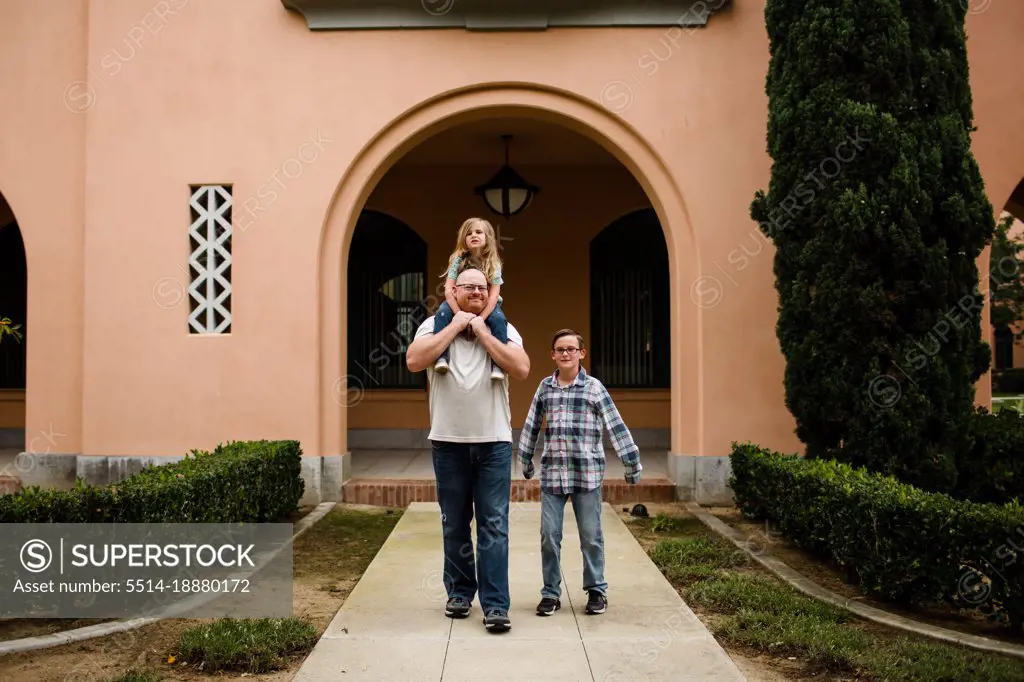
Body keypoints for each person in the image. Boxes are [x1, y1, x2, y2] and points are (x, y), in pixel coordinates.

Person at [405, 267, 531, 633]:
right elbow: (414, 360)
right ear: (453, 291)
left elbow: (521, 368)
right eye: (468, 287)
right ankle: (459, 593)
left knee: (494, 526)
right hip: (448, 444)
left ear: (489, 292)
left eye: (481, 287)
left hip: (493, 443)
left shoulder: (503, 328)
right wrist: (455, 326)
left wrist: (480, 331)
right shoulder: (432, 326)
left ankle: (495, 604)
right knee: (454, 524)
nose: (476, 292)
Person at [517, 329, 642, 617]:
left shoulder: (594, 388)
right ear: (553, 355)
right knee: (549, 535)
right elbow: (531, 425)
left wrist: (631, 463)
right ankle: (550, 593)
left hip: (586, 474)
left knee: (591, 536)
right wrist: (525, 458)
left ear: (581, 353)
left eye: (571, 349)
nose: (565, 354)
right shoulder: (545, 388)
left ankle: (596, 589)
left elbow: (616, 426)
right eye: (560, 349)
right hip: (553, 475)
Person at [433, 217, 509, 381]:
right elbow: (448, 289)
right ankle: (441, 356)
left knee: (498, 319)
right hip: (458, 302)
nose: (473, 235)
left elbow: (494, 295)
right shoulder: (458, 260)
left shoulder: (493, 264)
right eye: (469, 233)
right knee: (441, 313)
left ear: (488, 237)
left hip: (487, 304)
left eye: (478, 232)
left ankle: (498, 364)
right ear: (463, 238)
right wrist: (458, 313)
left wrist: (481, 318)